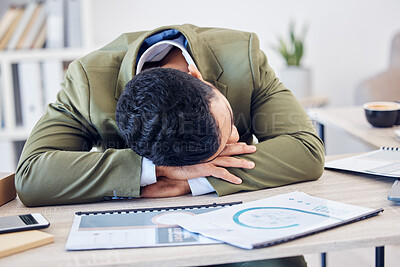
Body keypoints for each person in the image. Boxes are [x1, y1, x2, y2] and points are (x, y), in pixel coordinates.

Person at [16, 24, 324, 207]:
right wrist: (154, 169)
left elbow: (306, 150)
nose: (235, 138)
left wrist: (193, 181)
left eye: (229, 118)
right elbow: (31, 176)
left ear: (198, 76)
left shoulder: (244, 55)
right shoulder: (85, 81)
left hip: (229, 205)